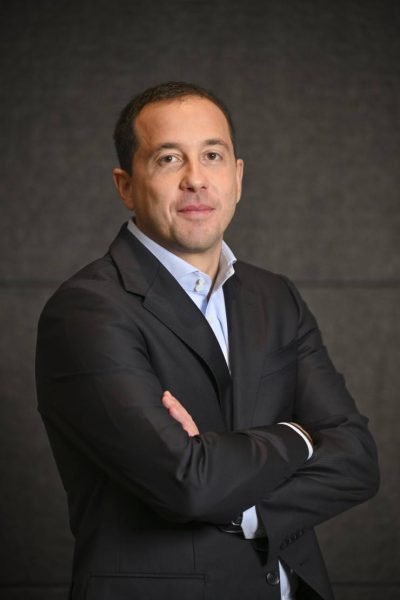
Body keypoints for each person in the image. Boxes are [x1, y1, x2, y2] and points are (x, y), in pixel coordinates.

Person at [36, 81, 379, 600]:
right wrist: (299, 435)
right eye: (169, 158)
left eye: (212, 156)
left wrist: (240, 502)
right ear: (126, 186)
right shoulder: (86, 311)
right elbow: (188, 484)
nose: (196, 179)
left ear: (237, 177)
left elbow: (357, 460)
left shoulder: (274, 296)